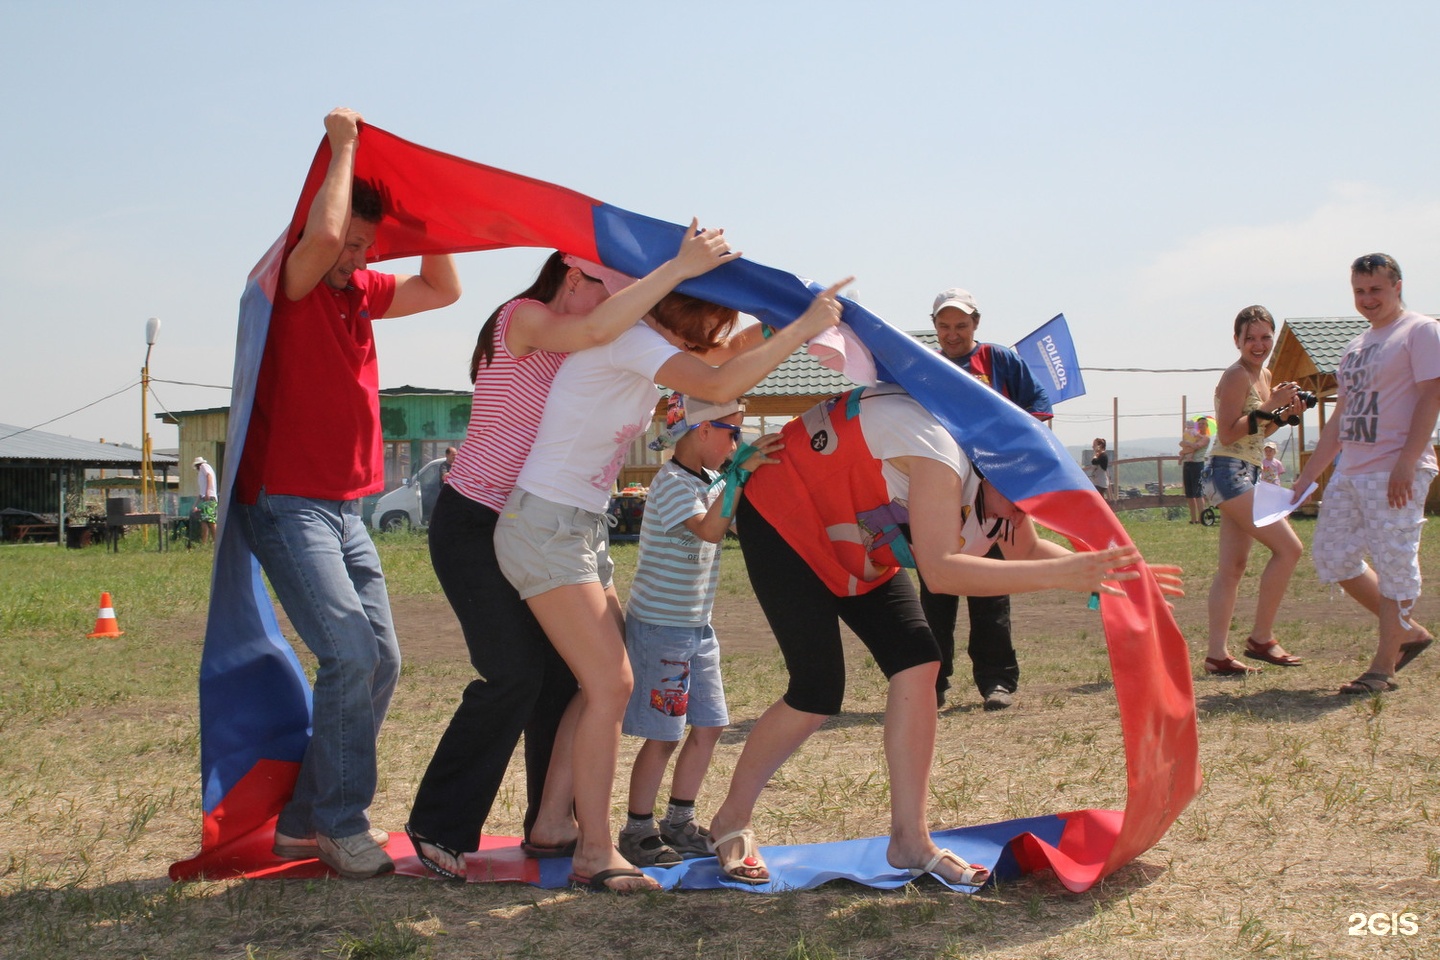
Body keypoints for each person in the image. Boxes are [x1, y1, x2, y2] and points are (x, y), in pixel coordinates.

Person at [704, 383, 1182, 886]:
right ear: (993, 464)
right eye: (1022, 499)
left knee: (918, 660)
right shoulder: (939, 453)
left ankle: (909, 839)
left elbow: (1024, 552)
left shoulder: (1001, 488)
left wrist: (1126, 579)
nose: (1024, 513)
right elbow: (942, 573)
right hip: (785, 517)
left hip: (853, 535)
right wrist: (1070, 575)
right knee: (818, 689)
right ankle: (730, 821)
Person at [405, 228, 737, 882]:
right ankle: (439, 823)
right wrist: (678, 268)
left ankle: (550, 821)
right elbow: (597, 333)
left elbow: (691, 355)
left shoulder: (602, 335)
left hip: (541, 522)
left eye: (614, 289)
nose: (605, 300)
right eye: (598, 284)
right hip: (476, 518)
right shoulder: (526, 319)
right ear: (567, 271)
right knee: (515, 671)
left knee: (570, 678)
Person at [494, 278, 848, 893]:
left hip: (576, 526)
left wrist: (782, 321)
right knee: (613, 684)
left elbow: (720, 356)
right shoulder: (629, 340)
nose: (713, 341)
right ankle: (598, 850)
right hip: (547, 525)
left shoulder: (646, 348)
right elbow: (717, 379)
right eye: (709, 327)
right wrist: (798, 327)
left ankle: (554, 823)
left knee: (595, 686)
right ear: (685, 322)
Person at [233, 108, 461, 879]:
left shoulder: (360, 290)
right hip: (287, 500)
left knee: (383, 660)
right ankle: (338, 821)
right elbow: (324, 240)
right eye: (349, 242)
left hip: (345, 505)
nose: (354, 255)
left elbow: (443, 287)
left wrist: (428, 213)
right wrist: (344, 147)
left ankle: (302, 823)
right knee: (348, 652)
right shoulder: (292, 276)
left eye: (367, 246)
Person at [616, 394, 779, 868]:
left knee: (710, 726)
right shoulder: (670, 482)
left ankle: (679, 822)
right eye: (733, 433)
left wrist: (739, 477)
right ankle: (637, 830)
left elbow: (728, 522)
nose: (738, 443)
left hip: (696, 627)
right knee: (665, 735)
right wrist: (741, 475)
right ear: (702, 430)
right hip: (662, 630)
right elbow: (709, 530)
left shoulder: (711, 478)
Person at [1291, 253, 1440, 695]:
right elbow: (1343, 417)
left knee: (1395, 560)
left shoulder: (1420, 331)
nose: (1367, 299)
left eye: (1376, 289)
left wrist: (1407, 461)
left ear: (1397, 286)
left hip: (1395, 466)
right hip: (1351, 469)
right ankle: (1408, 631)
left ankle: (1383, 667)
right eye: (1359, 291)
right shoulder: (1355, 346)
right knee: (1333, 557)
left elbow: (1432, 396)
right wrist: (1308, 477)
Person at [921, 288, 1053, 711]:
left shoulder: (999, 360)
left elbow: (1039, 408)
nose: (952, 333)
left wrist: (1014, 458)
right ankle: (932, 684)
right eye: (944, 326)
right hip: (938, 490)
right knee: (935, 594)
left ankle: (997, 681)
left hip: (993, 490)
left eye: (960, 325)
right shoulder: (924, 364)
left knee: (990, 591)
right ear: (934, 326)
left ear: (976, 323)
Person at [1200, 306, 1305, 676]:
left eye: (1265, 337)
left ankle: (1217, 655)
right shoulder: (1236, 376)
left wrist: (1285, 415)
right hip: (1228, 473)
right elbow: (1227, 432)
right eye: (1250, 338)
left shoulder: (1266, 375)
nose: (1258, 345)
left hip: (1247, 471)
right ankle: (1261, 637)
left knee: (1232, 568)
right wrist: (1270, 408)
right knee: (1289, 548)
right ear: (1237, 341)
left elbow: (1258, 431)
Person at [1179, 417, 1211, 523]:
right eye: (1199, 424)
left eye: (1203, 424)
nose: (1201, 426)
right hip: (1188, 463)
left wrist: (1188, 445)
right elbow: (1182, 444)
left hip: (1197, 464)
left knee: (1197, 492)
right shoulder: (1192, 434)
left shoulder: (1205, 438)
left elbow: (1196, 446)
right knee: (1189, 493)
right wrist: (1188, 444)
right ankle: (1193, 518)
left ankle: (1202, 517)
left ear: (1206, 426)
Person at [193, 456, 218, 544]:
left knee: (211, 521)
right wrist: (195, 505)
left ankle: (216, 542)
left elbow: (209, 476)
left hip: (209, 497)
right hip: (205, 498)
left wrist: (208, 491)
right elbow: (201, 492)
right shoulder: (201, 474)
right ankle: (204, 543)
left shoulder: (204, 466)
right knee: (204, 521)